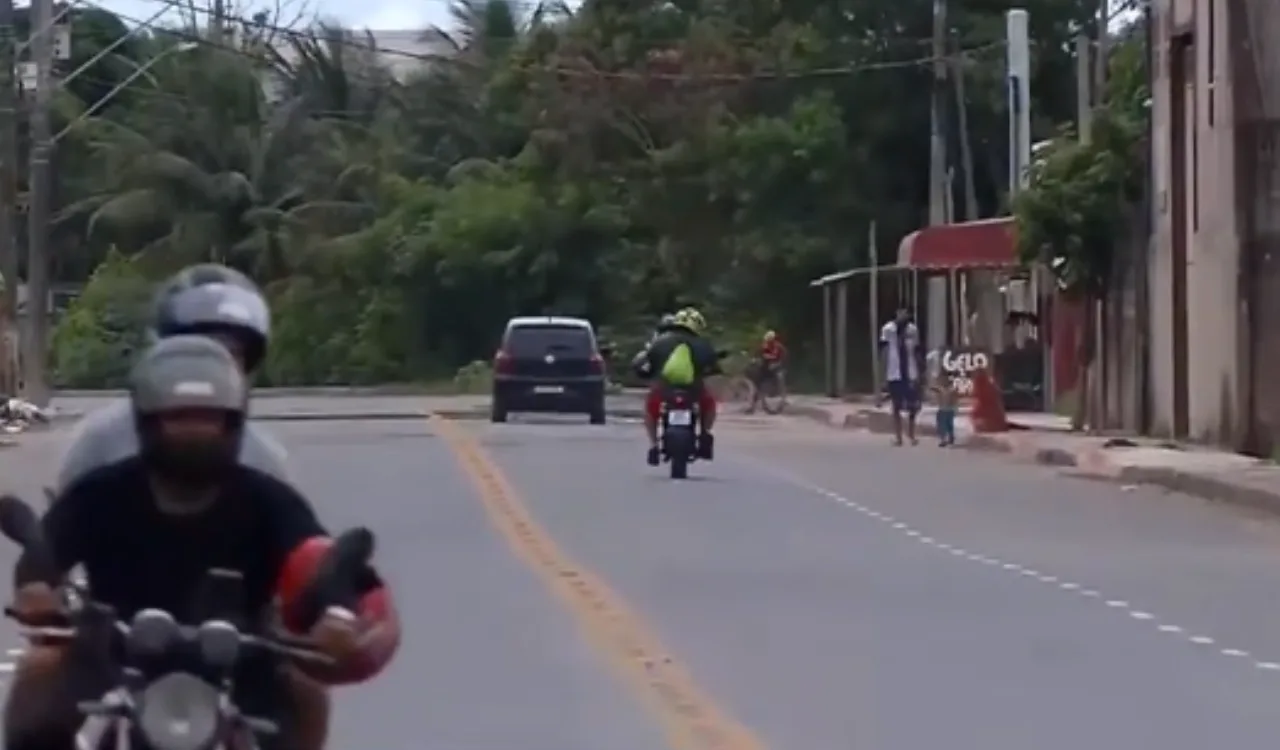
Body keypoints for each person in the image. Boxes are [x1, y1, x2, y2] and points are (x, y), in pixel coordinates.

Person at [4, 335, 401, 750]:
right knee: (38, 670)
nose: (194, 432)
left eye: (208, 419)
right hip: (113, 656)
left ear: (233, 422)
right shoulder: (100, 494)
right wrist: (36, 588)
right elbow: (46, 548)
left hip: (245, 662)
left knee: (309, 693)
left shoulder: (268, 500)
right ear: (147, 420)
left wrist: (335, 617)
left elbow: (316, 559)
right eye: (179, 418)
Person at [54, 264, 289, 495]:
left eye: (231, 353)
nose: (213, 367)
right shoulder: (100, 443)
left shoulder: (264, 461)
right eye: (198, 350)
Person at [633, 307, 721, 466]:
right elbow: (712, 366)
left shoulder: (660, 341)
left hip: (663, 389)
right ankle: (704, 433)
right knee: (709, 405)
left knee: (650, 410)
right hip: (694, 390)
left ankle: (653, 445)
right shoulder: (702, 344)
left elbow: (646, 363)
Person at [879, 307, 921, 446]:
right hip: (894, 371)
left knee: (913, 406)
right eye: (901, 312)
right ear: (896, 313)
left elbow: (916, 350)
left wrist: (919, 371)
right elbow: (884, 351)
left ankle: (911, 434)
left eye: (906, 313)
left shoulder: (912, 330)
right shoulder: (888, 329)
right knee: (896, 406)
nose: (903, 315)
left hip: (910, 371)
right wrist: (883, 374)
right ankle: (898, 436)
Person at [747, 330, 787, 413]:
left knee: (780, 379)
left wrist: (776, 363)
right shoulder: (763, 346)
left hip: (777, 367)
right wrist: (754, 360)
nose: (769, 342)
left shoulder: (779, 347)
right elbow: (757, 355)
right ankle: (753, 406)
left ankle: (782, 400)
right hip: (765, 368)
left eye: (770, 340)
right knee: (758, 385)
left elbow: (783, 359)